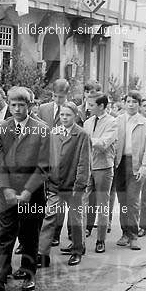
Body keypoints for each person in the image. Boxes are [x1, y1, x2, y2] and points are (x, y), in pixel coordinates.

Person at [0, 87, 49, 291]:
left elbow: (44, 166)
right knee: (5, 236)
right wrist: (7, 188)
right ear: (8, 105)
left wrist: (28, 191)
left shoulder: (41, 129)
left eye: (22, 105)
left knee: (29, 235)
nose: (17, 109)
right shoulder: (3, 127)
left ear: (30, 106)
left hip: (32, 193)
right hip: (7, 194)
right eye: (13, 105)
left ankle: (28, 274)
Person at [37, 102, 90, 268]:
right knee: (49, 217)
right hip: (55, 184)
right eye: (62, 115)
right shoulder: (54, 133)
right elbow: (49, 157)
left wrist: (79, 185)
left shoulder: (82, 135)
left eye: (68, 115)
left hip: (73, 185)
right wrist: (47, 179)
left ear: (75, 116)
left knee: (75, 219)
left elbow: (84, 162)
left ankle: (77, 250)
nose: (64, 118)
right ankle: (42, 253)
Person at [114, 91, 146, 250]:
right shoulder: (117, 120)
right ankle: (124, 233)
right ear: (124, 103)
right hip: (120, 163)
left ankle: (133, 235)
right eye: (128, 101)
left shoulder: (145, 123)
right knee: (123, 200)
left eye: (134, 102)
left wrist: (144, 167)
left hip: (135, 163)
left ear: (138, 104)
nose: (131, 104)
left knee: (133, 201)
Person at [81, 92, 117, 251]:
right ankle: (79, 241)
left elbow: (104, 144)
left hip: (104, 168)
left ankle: (100, 240)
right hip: (88, 166)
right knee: (82, 203)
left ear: (101, 106)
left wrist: (86, 140)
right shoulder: (87, 122)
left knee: (102, 204)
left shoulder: (113, 122)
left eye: (91, 105)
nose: (88, 108)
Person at [37, 79, 70, 247]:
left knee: (60, 200)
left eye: (61, 97)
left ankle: (56, 233)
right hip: (44, 158)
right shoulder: (43, 109)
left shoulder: (71, 110)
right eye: (56, 96)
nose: (58, 100)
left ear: (67, 96)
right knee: (44, 198)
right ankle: (43, 232)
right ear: (52, 95)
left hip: (61, 160)